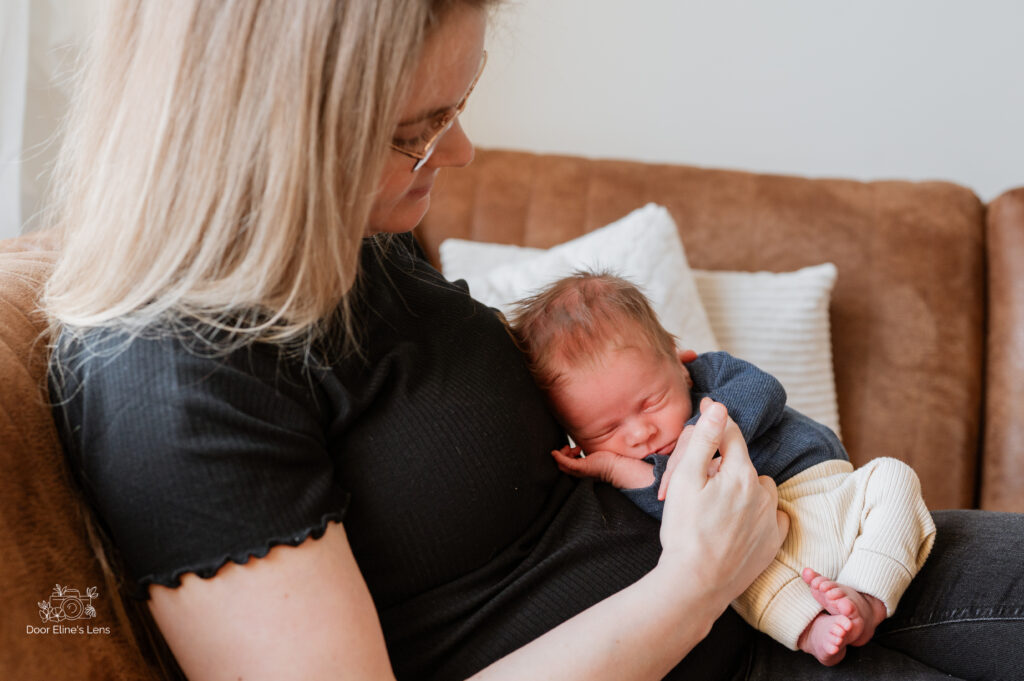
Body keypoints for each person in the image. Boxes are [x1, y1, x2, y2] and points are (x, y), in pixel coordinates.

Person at [41, 1, 1024, 680]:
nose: (461, 153)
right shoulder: (169, 381)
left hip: (789, 565)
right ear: (266, 128)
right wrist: (695, 581)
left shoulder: (355, 242)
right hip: (718, 632)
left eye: (456, 111)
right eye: (417, 130)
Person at [508, 271, 937, 666]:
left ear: (679, 363)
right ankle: (812, 627)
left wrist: (700, 435)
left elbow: (765, 389)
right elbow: (670, 509)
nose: (640, 433)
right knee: (738, 580)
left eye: (650, 402)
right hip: (765, 555)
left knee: (893, 476)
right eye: (606, 430)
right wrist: (613, 470)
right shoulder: (619, 472)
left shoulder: (712, 377)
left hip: (829, 496)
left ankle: (866, 595)